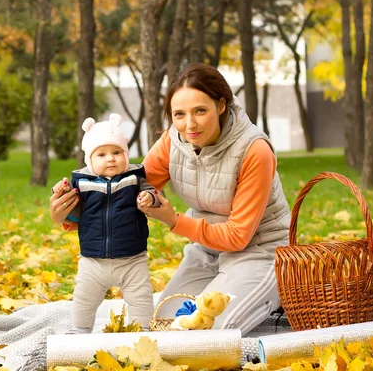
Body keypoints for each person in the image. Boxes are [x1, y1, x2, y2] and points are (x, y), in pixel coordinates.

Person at [50, 63, 290, 336]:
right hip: (206, 250)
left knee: (212, 330)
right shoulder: (173, 141)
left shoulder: (255, 150)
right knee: (165, 323)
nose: (190, 124)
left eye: (200, 110)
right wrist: (69, 214)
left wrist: (174, 221)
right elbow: (123, 190)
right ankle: (238, 291)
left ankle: (271, 291)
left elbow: (238, 236)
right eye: (179, 114)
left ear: (221, 106)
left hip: (258, 250)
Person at [49, 113, 160, 333]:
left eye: (117, 152)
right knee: (84, 297)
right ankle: (80, 330)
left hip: (132, 259)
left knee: (141, 297)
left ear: (126, 155)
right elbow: (75, 213)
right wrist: (63, 193)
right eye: (101, 154)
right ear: (90, 160)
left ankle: (145, 329)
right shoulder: (82, 184)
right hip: (93, 260)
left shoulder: (135, 179)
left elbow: (153, 194)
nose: (110, 158)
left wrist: (151, 198)